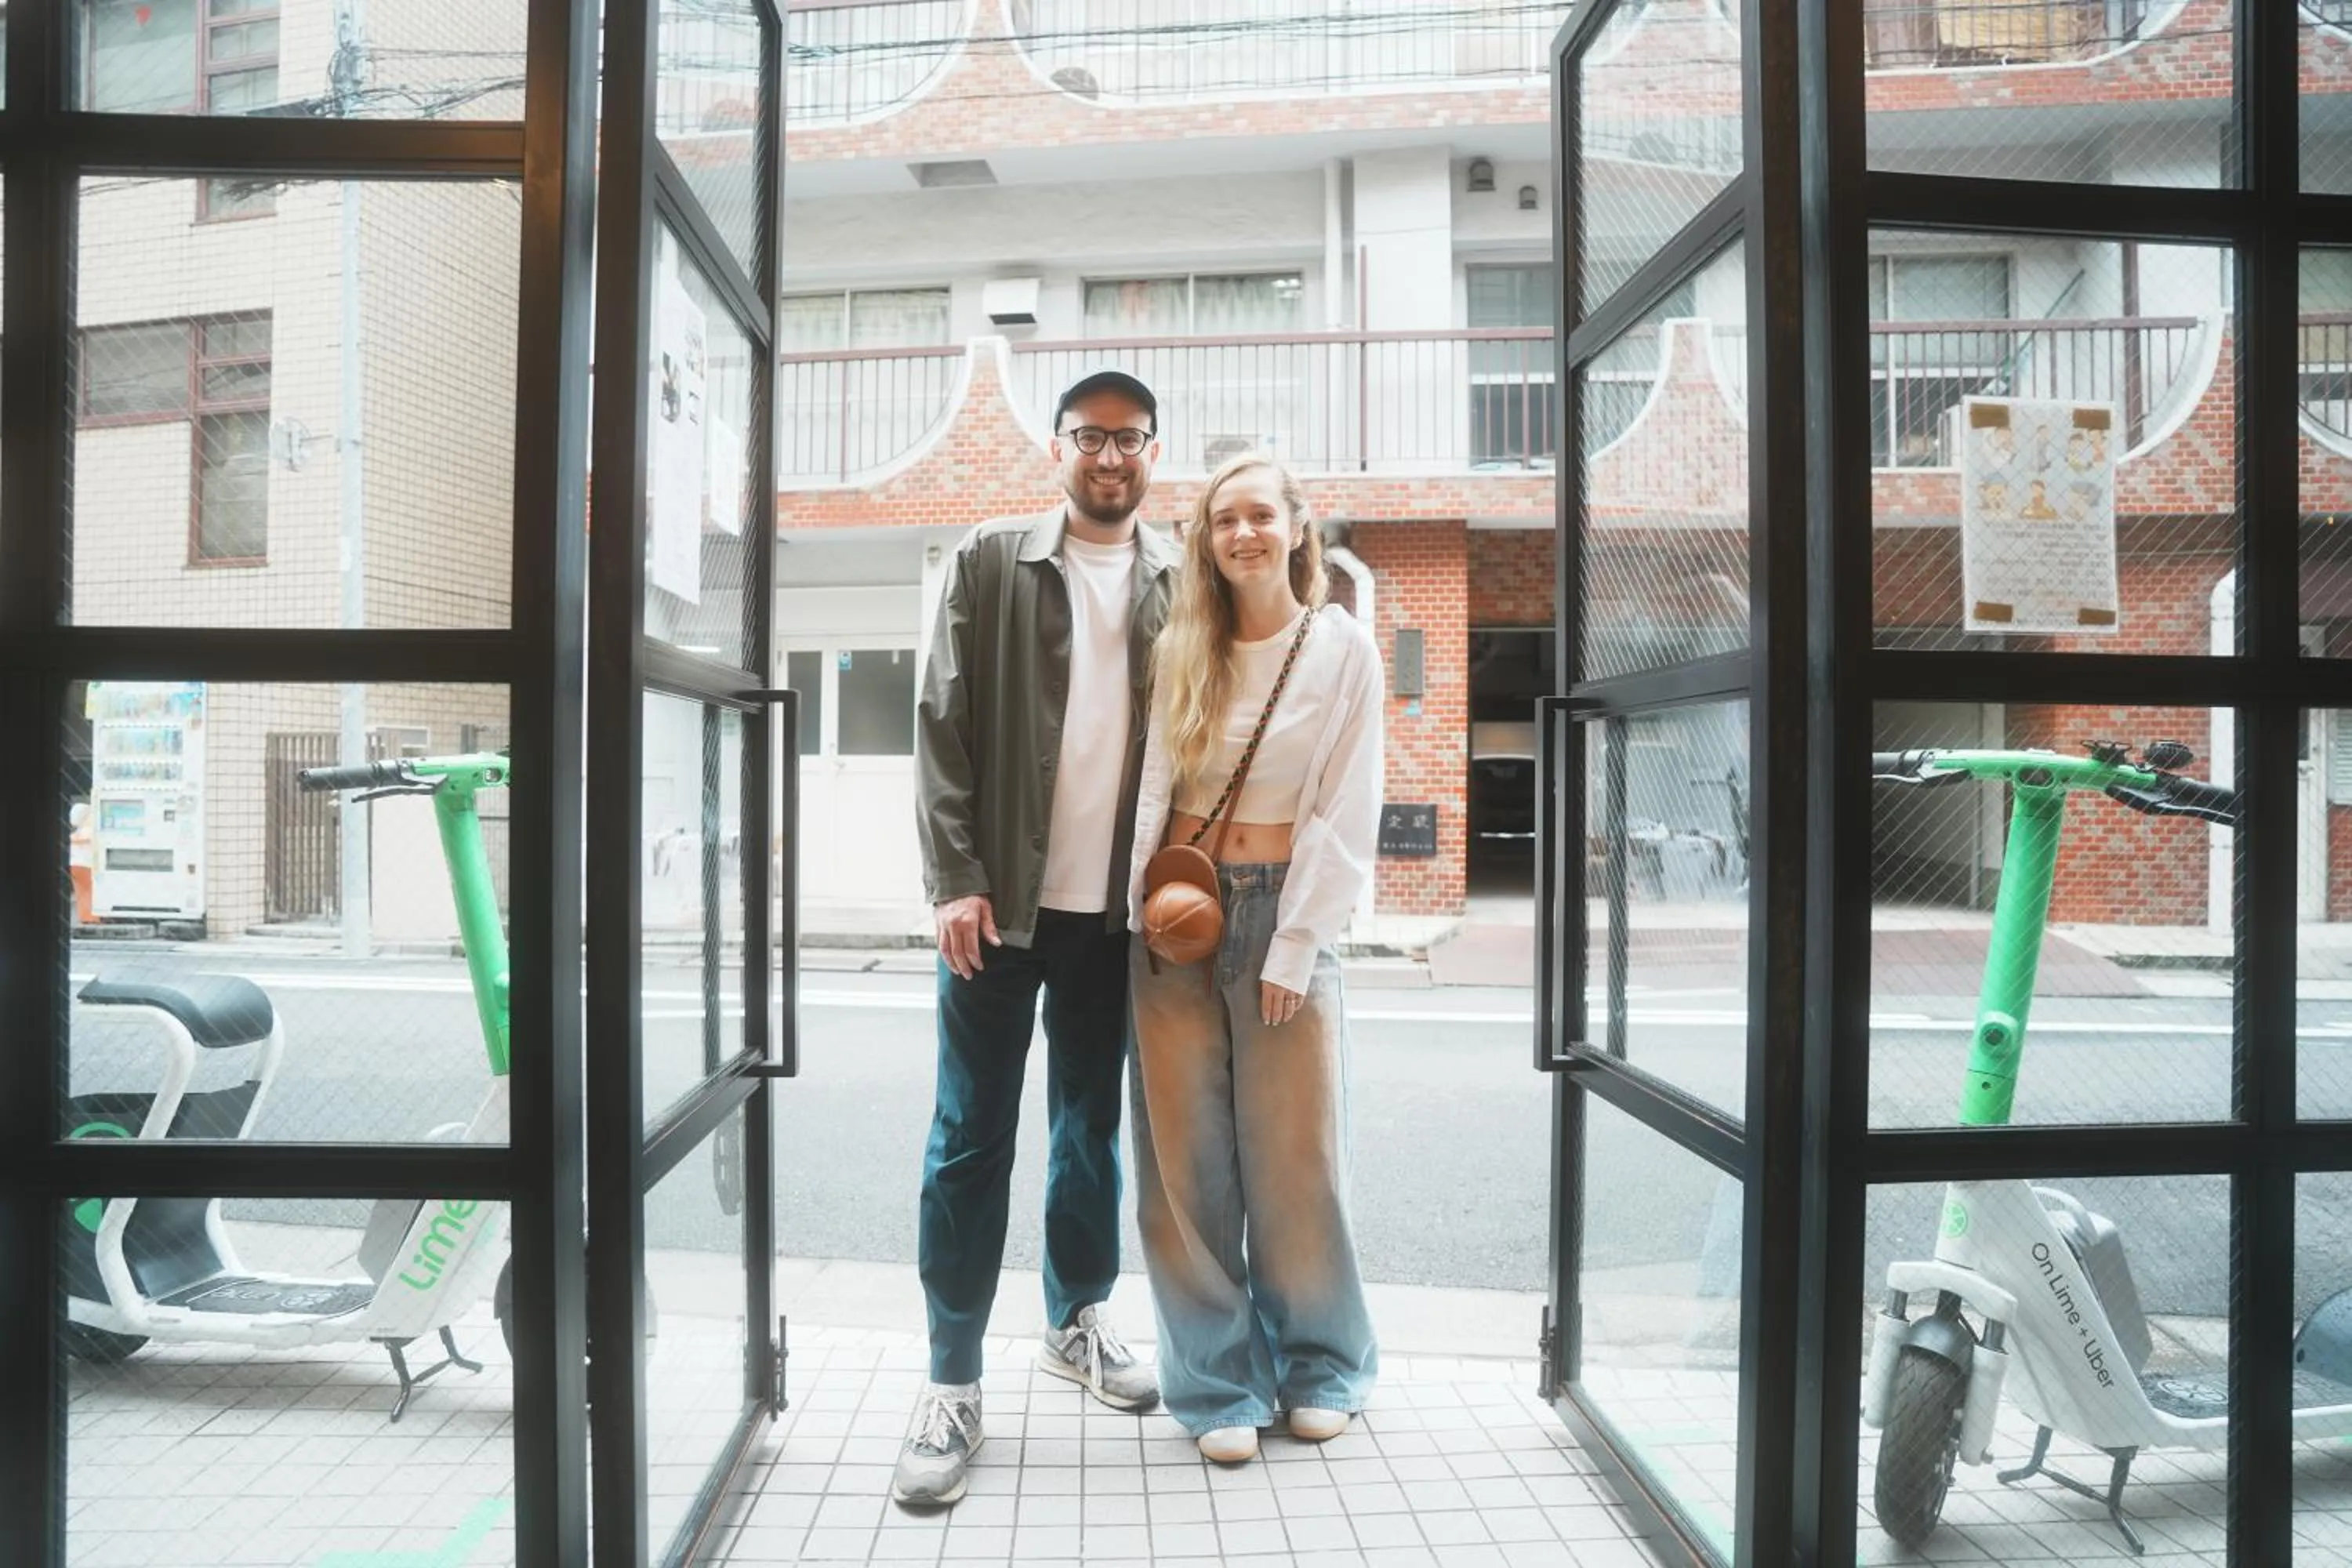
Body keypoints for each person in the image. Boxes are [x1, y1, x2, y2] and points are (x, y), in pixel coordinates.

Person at [896, 370, 1177, 1507]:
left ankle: (1076, 1322)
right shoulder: (990, 561)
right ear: (1057, 449)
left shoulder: (1175, 578)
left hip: (1113, 916)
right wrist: (954, 879)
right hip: (998, 911)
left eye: (1131, 439)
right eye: (1090, 437)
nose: (1111, 456)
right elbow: (941, 727)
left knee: (1088, 1129)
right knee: (969, 1136)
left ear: (1153, 453)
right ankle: (951, 1380)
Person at [1123, 452, 1384, 1463]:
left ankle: (1322, 1366)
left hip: (1284, 909)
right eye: (1224, 519)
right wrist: (1136, 910)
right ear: (1206, 538)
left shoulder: (1341, 648)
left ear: (1296, 527)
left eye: (1261, 515)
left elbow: (1347, 807)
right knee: (1181, 1168)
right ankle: (1217, 1385)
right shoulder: (1183, 644)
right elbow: (1153, 790)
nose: (1244, 534)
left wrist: (1298, 938)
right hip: (1178, 914)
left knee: (1297, 1156)